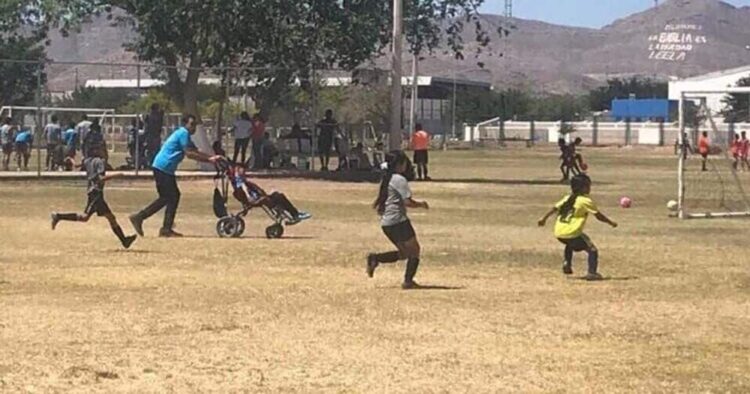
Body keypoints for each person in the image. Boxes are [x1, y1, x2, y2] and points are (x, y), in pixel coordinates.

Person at [130, 114, 222, 238]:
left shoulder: (185, 135)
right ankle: (142, 218)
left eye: (194, 124)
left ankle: (163, 227)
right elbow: (189, 154)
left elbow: (195, 151)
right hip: (163, 167)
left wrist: (212, 158)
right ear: (185, 124)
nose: (193, 127)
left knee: (170, 197)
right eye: (191, 124)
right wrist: (210, 160)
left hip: (165, 168)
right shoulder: (183, 133)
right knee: (168, 197)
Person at [51, 142, 137, 249]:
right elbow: (100, 178)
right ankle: (58, 216)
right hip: (96, 193)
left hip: (94, 192)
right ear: (96, 151)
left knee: (111, 217)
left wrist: (70, 159)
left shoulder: (88, 160)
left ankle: (125, 241)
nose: (103, 151)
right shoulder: (99, 162)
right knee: (85, 217)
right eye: (101, 149)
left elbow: (76, 165)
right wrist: (118, 174)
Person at [366, 151, 429, 290]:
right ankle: (408, 282)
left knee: (404, 253)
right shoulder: (399, 179)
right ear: (400, 164)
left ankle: (375, 258)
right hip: (398, 221)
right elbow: (407, 202)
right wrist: (421, 204)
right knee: (415, 250)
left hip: (387, 223)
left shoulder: (387, 178)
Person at [537, 174, 617, 281]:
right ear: (583, 187)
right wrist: (610, 222)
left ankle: (567, 263)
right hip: (573, 232)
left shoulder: (567, 198)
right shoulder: (585, 200)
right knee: (592, 250)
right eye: (588, 186)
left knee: (569, 244)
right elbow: (598, 216)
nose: (589, 188)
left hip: (559, 232)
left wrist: (543, 219)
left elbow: (554, 208)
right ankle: (592, 273)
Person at [231, 165, 311, 224]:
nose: (244, 171)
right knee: (277, 197)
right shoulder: (239, 181)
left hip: (258, 198)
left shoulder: (243, 181)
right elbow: (243, 188)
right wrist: (248, 196)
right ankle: (294, 214)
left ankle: (295, 214)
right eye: (242, 169)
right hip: (256, 200)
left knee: (279, 195)